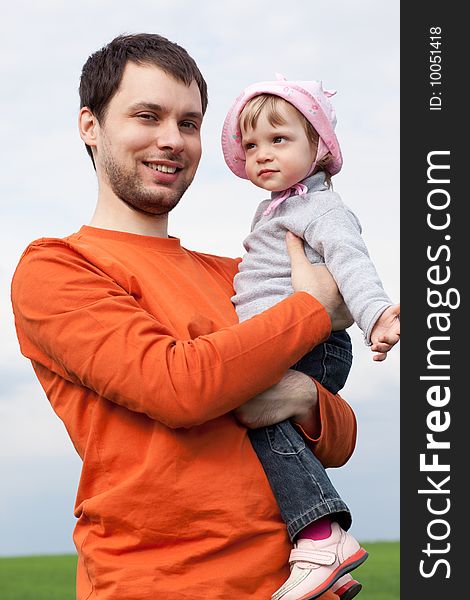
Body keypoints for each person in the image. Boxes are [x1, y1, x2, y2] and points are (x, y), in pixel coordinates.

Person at [11, 34, 361, 600]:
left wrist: (302, 396)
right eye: (147, 116)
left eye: (190, 123)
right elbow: (179, 386)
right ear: (90, 126)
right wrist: (315, 308)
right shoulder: (56, 267)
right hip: (157, 585)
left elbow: (339, 439)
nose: (172, 140)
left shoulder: (241, 275)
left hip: (296, 584)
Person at [221, 75, 401, 599]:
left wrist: (376, 315)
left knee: (258, 409)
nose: (261, 155)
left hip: (314, 345)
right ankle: (321, 571)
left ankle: (322, 536)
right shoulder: (276, 207)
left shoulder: (321, 207)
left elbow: (350, 264)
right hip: (286, 341)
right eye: (251, 145)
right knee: (271, 431)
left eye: (279, 140)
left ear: (319, 145)